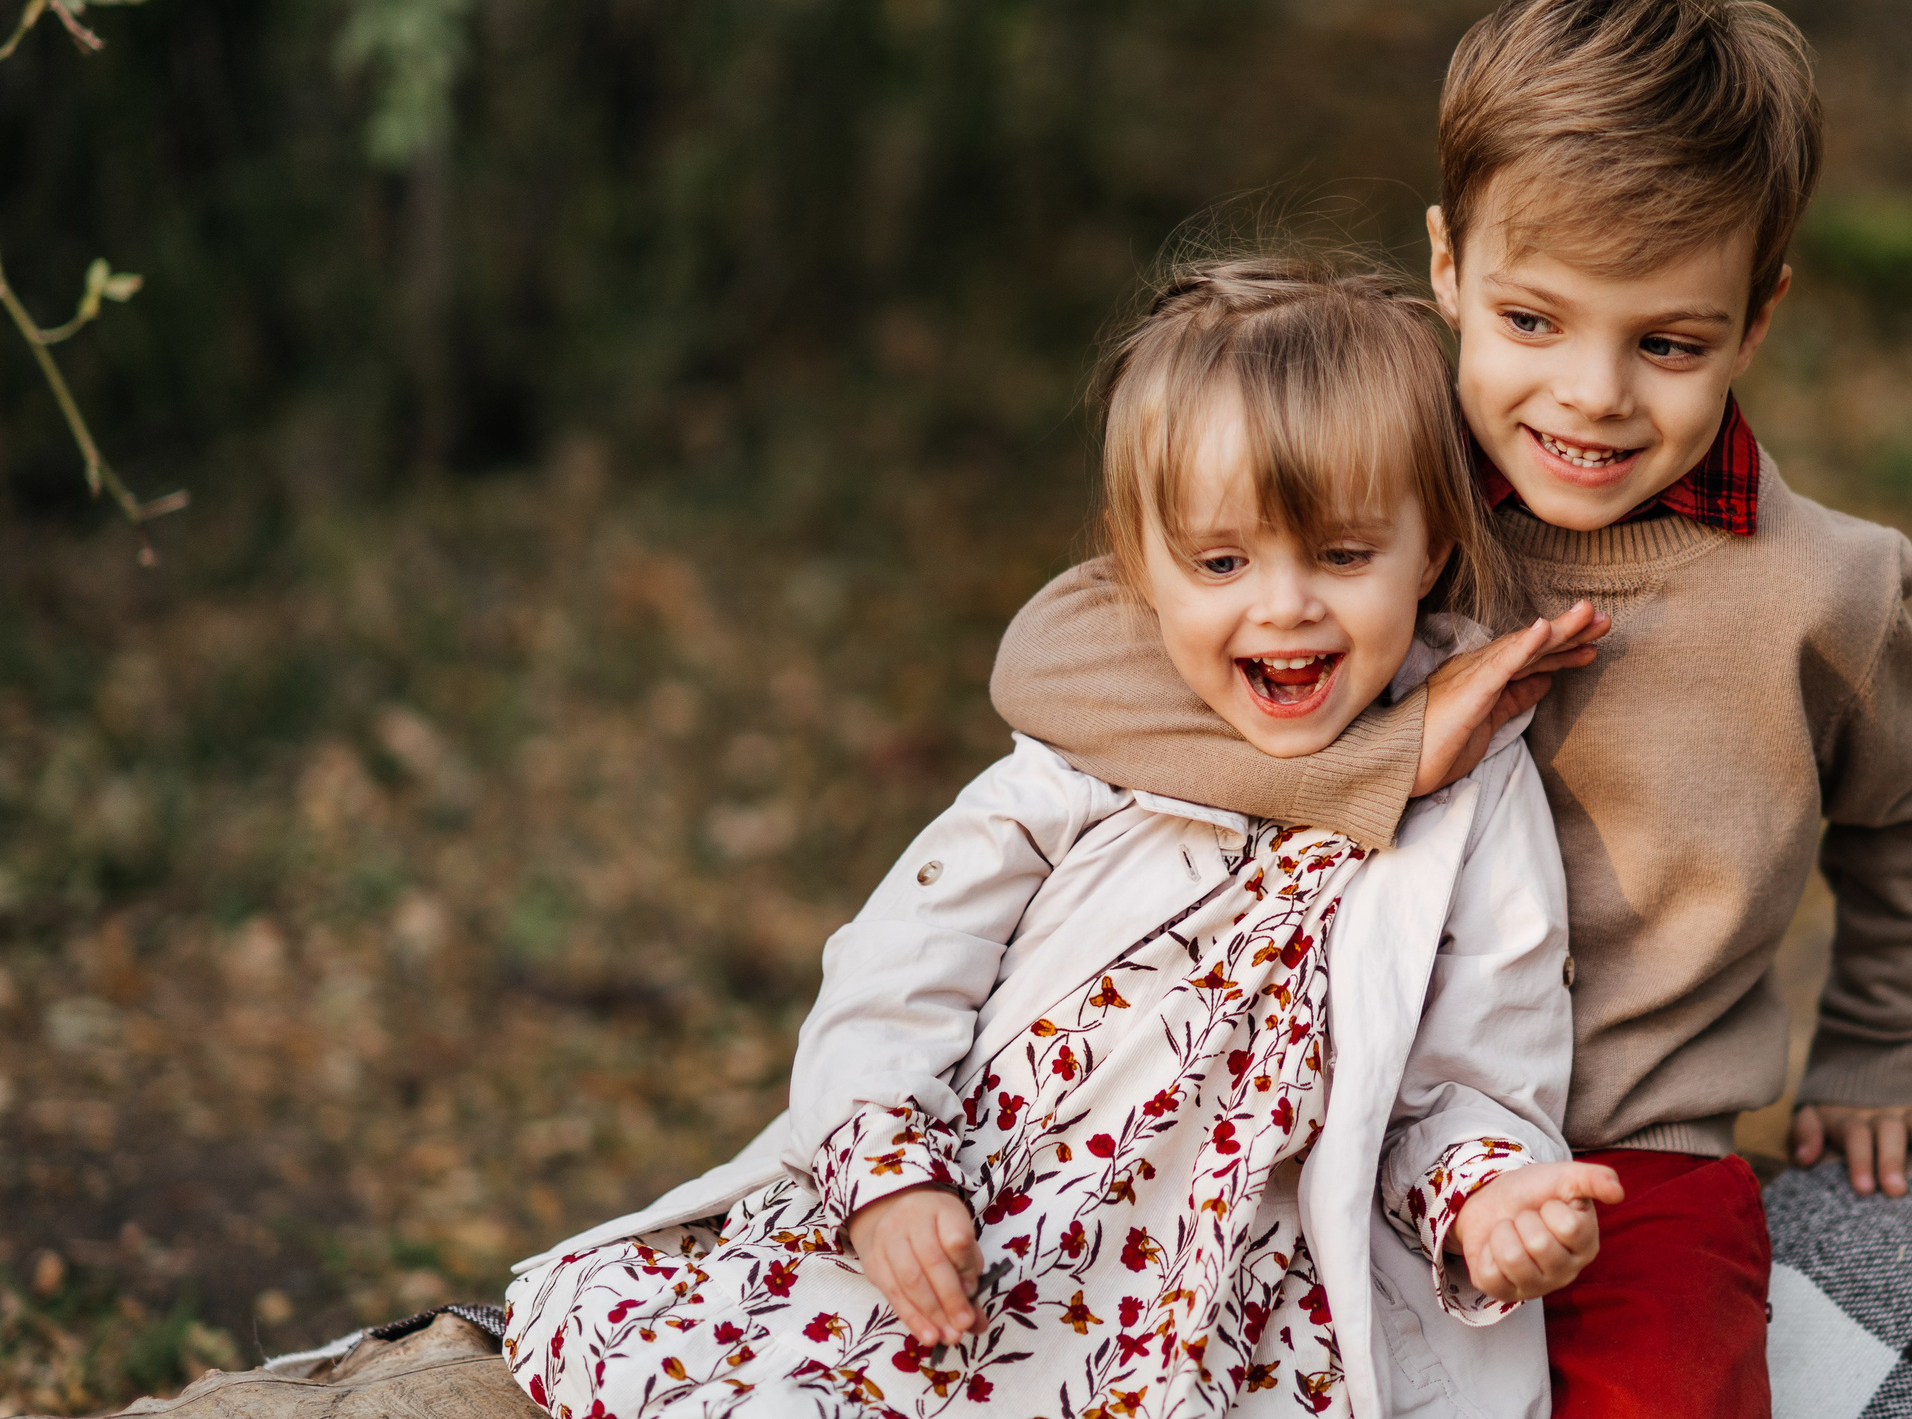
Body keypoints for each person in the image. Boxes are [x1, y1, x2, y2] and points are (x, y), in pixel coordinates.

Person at [987, 0, 1912, 1419]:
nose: (1588, 396)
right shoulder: (1371, 492)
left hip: (1625, 1155)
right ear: (1447, 268)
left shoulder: (1823, 593)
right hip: (1312, 1101)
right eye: (1531, 319)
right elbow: (1050, 657)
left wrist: (1886, 1044)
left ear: (1758, 318)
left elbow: (1910, 811)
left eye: (1668, 343)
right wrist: (1385, 754)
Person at [502, 255, 1624, 1419]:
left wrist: (1486, 1200)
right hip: (989, 1221)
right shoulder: (1095, 742)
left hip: (1228, 1298)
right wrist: (888, 1177)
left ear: (1432, 547)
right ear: (1142, 563)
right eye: (1222, 561)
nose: (1284, 604)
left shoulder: (1480, 787)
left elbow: (1477, 1066)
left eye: (1343, 555)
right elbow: (898, 969)